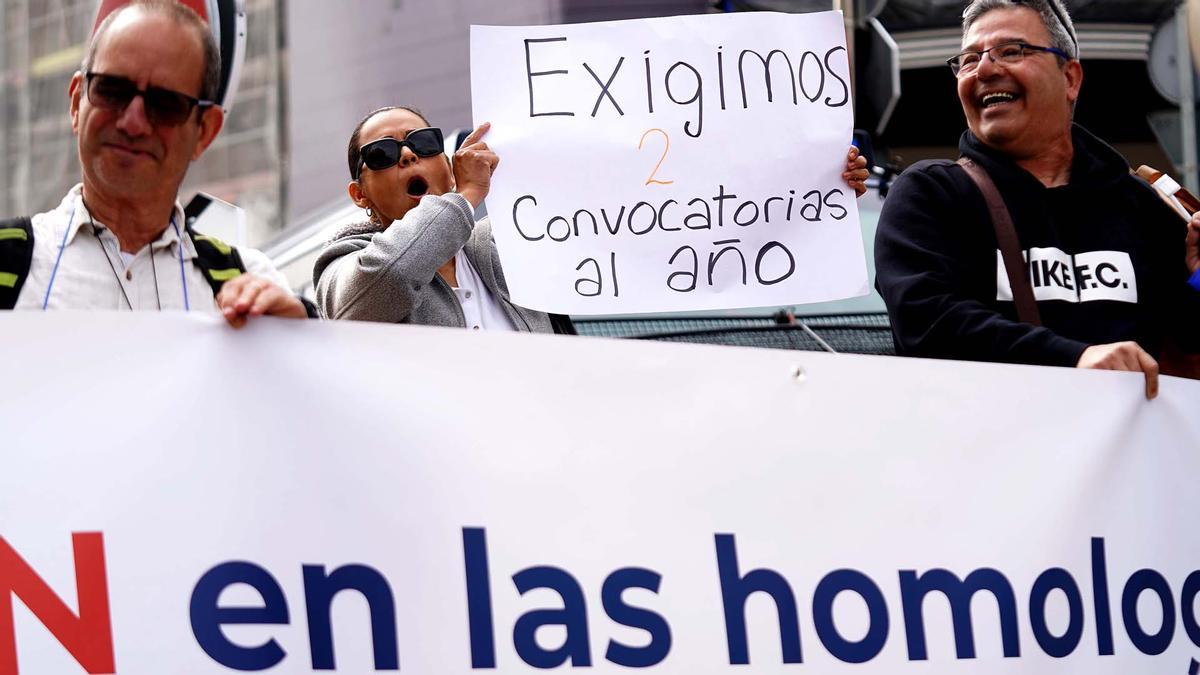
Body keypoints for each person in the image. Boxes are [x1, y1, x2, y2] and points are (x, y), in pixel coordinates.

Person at [873, 0, 1200, 399]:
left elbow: (1184, 345)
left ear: (1070, 78)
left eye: (1012, 51)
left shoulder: (1144, 207)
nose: (986, 70)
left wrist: (1199, 278)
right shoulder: (930, 194)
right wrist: (1074, 360)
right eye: (969, 59)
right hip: (988, 453)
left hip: (1133, 456)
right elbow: (927, 323)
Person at [313, 105, 872, 331]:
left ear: (442, 154)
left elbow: (656, 218)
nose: (407, 155)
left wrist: (813, 177)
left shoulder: (511, 245)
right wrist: (463, 197)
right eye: (382, 156)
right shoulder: (342, 261)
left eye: (421, 142)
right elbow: (379, 284)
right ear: (359, 194)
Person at [0, 0, 308, 327]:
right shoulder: (8, 263)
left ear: (204, 131)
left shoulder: (251, 284)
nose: (133, 122)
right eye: (112, 89)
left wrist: (296, 338)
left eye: (165, 104)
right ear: (77, 102)